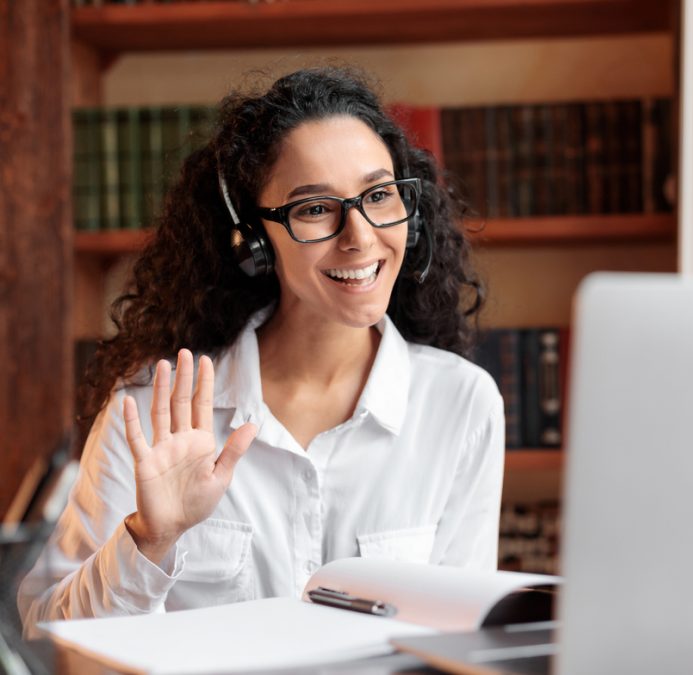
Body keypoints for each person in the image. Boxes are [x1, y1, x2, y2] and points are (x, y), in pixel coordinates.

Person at [18, 67, 504, 638]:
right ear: (253, 241)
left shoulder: (461, 404)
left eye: (378, 195)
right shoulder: (153, 407)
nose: (361, 236)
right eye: (315, 209)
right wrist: (149, 540)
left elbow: (470, 639)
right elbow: (41, 635)